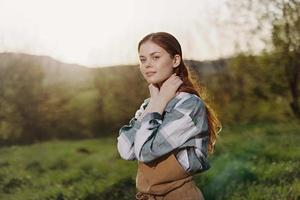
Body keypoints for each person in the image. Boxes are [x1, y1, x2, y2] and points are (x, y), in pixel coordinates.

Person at [117, 32, 222, 200]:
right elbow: (125, 149)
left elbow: (144, 152)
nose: (147, 65)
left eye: (155, 57)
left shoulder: (189, 105)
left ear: (175, 60)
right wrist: (156, 103)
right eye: (143, 59)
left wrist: (158, 103)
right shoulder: (149, 104)